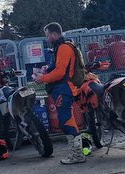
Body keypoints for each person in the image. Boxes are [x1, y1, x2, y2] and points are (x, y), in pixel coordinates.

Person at [36, 22, 88, 164]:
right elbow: (58, 68)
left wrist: (43, 78)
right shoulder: (62, 47)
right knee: (68, 120)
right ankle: (80, 151)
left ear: (54, 34)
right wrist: (46, 69)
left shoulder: (63, 48)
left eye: (47, 36)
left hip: (64, 89)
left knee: (66, 121)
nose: (47, 39)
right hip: (64, 88)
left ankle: (78, 155)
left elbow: (60, 73)